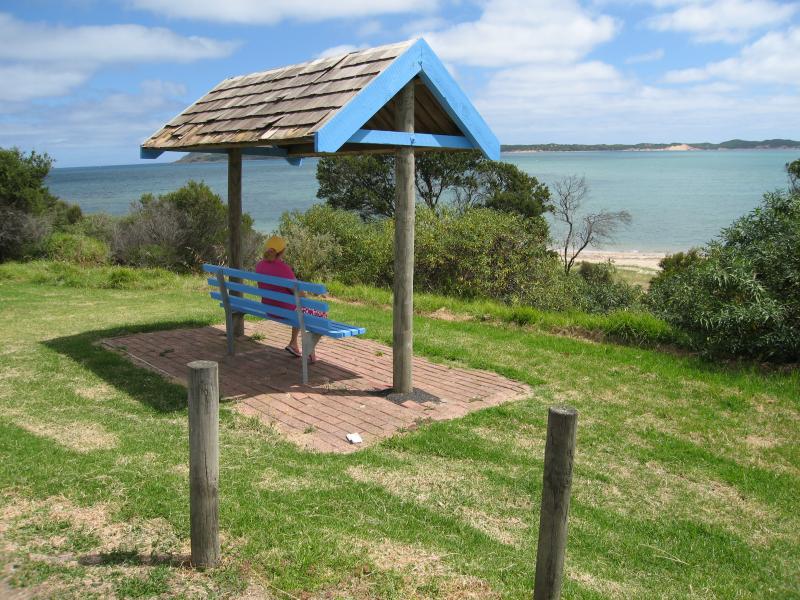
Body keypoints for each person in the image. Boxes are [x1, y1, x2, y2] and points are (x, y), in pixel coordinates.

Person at [255, 235, 325, 362]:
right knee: (321, 315)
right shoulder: (283, 268)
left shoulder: (259, 265)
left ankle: (294, 343)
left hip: (270, 309)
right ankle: (310, 348)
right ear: (282, 252)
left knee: (300, 309)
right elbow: (299, 294)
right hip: (286, 312)